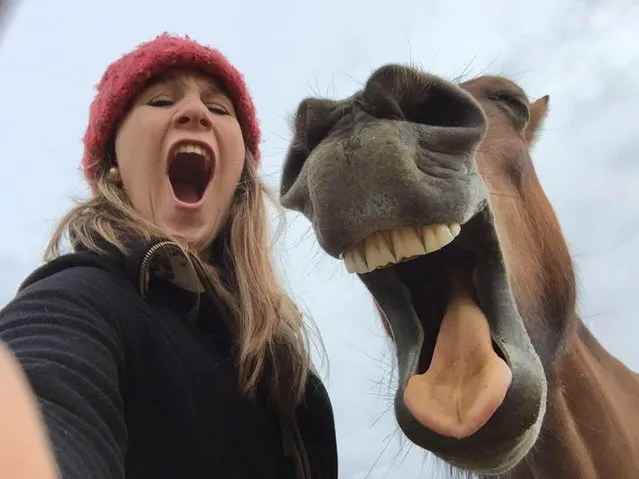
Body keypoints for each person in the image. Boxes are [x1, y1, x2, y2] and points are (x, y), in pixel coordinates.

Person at [0, 33, 338, 479]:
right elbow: (47, 387)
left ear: (239, 174)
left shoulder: (296, 386)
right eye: (160, 100)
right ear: (114, 164)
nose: (195, 112)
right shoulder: (80, 299)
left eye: (219, 109)